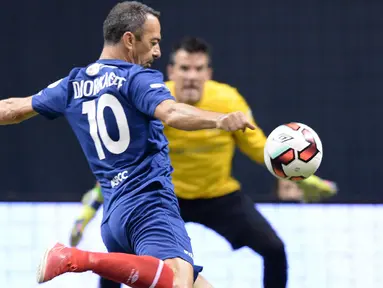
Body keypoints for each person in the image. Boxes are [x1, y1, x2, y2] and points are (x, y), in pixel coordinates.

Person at [0, 2, 259, 287]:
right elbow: (172, 112)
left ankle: (81, 258)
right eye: (154, 42)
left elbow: (13, 109)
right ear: (129, 40)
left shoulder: (73, 84)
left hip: (114, 218)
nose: (158, 52)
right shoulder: (136, 78)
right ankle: (78, 258)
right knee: (175, 281)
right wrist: (220, 120)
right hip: (150, 206)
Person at [71, 37, 337, 288]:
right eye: (185, 68)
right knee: (117, 254)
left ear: (208, 73)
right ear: (172, 71)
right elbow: (122, 161)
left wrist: (304, 177)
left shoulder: (228, 100)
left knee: (274, 249)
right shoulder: (153, 98)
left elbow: (259, 148)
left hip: (218, 196)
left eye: (198, 69)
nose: (191, 76)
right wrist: (90, 209)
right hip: (164, 198)